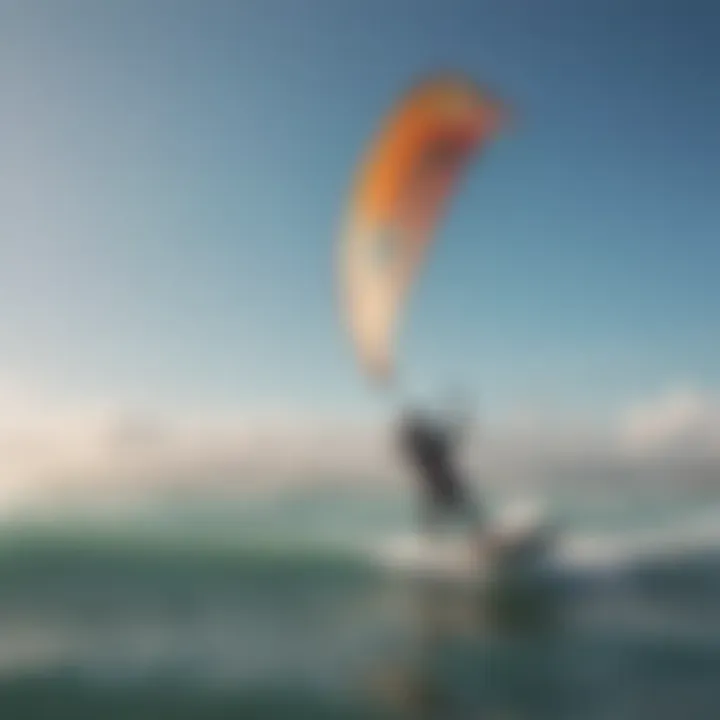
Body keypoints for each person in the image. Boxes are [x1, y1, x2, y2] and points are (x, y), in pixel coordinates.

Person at [398, 405, 483, 536]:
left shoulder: (420, 441)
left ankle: (430, 538)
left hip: (439, 480)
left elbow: (446, 443)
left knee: (457, 507)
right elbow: (444, 444)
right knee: (459, 506)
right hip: (440, 480)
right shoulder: (423, 441)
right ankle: (430, 539)